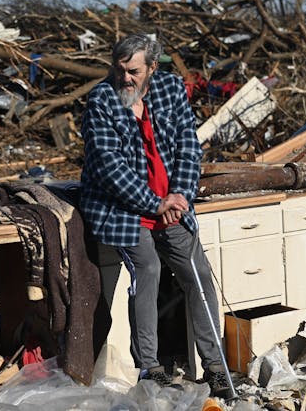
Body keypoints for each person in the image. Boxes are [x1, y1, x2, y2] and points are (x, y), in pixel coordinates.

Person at [80, 33, 230, 397]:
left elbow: (187, 145)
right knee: (148, 268)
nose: (125, 79)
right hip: (122, 209)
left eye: (133, 72)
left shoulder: (170, 89)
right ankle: (150, 366)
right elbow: (108, 167)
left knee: (198, 272)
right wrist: (153, 204)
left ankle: (215, 367)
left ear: (150, 68)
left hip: (170, 204)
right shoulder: (101, 100)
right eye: (119, 71)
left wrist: (178, 195)